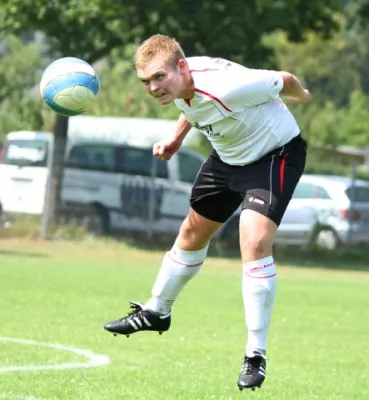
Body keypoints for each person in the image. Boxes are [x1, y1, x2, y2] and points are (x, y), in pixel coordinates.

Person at [104, 34, 310, 391]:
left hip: (274, 154)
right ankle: (157, 311)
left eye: (158, 78)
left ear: (181, 67)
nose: (153, 88)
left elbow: (286, 80)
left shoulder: (230, 86)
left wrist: (303, 98)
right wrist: (176, 140)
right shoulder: (179, 82)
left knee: (254, 241)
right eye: (145, 82)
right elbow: (193, 105)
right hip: (227, 155)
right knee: (191, 233)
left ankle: (255, 354)